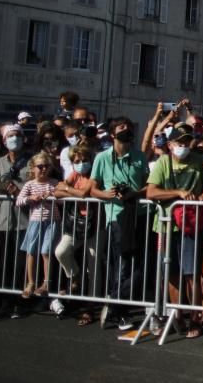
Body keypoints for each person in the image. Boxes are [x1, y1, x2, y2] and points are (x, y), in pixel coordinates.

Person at [145, 123, 203, 338]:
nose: (183, 146)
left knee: (191, 273)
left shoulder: (197, 161)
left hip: (191, 226)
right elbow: (151, 192)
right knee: (172, 272)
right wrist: (178, 193)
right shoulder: (162, 163)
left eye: (186, 142)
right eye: (179, 142)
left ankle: (195, 318)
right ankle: (178, 315)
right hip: (166, 225)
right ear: (170, 144)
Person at [89, 116, 149, 330]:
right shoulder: (102, 158)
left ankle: (114, 300)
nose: (126, 130)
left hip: (139, 214)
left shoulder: (139, 156)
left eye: (129, 127)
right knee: (122, 265)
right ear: (113, 134)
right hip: (116, 216)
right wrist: (107, 194)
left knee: (140, 267)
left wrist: (134, 193)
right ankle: (119, 311)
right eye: (122, 128)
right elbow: (92, 188)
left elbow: (147, 187)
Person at [0, 123, 30, 319]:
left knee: (20, 265)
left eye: (17, 135)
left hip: (24, 220)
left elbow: (33, 186)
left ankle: (19, 304)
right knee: (2, 264)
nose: (14, 139)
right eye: (10, 136)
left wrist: (17, 190)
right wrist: (3, 188)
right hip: (2, 220)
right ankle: (1, 305)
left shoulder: (31, 162)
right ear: (4, 141)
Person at [53, 144, 100, 323]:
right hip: (76, 224)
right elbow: (56, 191)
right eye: (77, 161)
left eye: (85, 160)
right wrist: (68, 189)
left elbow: (82, 193)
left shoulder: (94, 175)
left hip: (95, 225)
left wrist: (67, 189)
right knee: (61, 251)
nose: (81, 164)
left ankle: (90, 306)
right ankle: (75, 276)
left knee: (93, 263)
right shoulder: (74, 175)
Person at [15, 152, 59, 298]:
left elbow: (63, 200)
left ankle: (46, 282)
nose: (44, 169)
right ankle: (31, 282)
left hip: (52, 221)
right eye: (40, 166)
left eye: (47, 166)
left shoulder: (54, 183)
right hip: (35, 221)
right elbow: (19, 201)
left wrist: (52, 197)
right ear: (33, 168)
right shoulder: (29, 184)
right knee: (31, 252)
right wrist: (30, 198)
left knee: (46, 251)